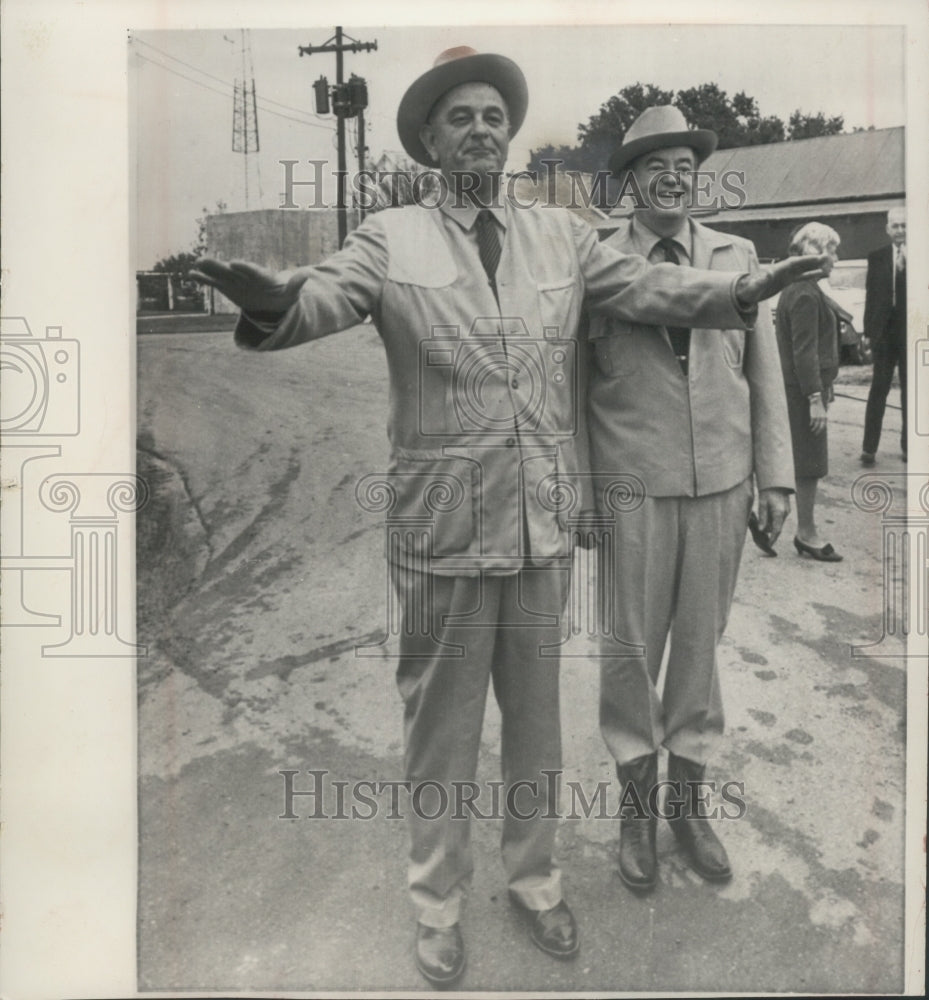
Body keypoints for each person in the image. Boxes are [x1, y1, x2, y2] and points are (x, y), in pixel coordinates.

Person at [192, 50, 825, 987]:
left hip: (538, 537)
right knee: (441, 736)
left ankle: (534, 883)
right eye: (460, 118)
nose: (481, 129)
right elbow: (323, 295)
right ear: (429, 140)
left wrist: (742, 292)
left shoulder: (559, 237)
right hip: (441, 536)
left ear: (509, 132)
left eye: (493, 114)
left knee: (535, 733)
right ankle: (436, 905)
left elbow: (652, 290)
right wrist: (273, 302)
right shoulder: (389, 235)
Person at [586, 105, 796, 893]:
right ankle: (635, 813)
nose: (672, 177)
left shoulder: (736, 257)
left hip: (719, 482)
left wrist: (773, 476)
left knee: (701, 648)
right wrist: (577, 489)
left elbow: (761, 375)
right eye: (655, 165)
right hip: (629, 485)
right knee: (628, 651)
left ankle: (687, 804)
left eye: (685, 166)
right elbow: (576, 387)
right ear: (629, 179)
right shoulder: (596, 259)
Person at [775, 222, 843, 562]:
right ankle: (806, 533)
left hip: (803, 389)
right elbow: (805, 352)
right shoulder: (804, 293)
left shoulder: (804, 289)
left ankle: (770, 522)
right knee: (808, 465)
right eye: (831, 250)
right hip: (802, 393)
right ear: (815, 253)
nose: (836, 257)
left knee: (801, 462)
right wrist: (815, 397)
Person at [861, 207, 907, 465]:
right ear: (887, 229)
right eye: (896, 226)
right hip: (884, 335)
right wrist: (868, 332)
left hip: (909, 333)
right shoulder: (876, 257)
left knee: (909, 392)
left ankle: (908, 447)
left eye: (904, 225)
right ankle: (869, 448)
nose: (900, 230)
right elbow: (871, 297)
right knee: (879, 389)